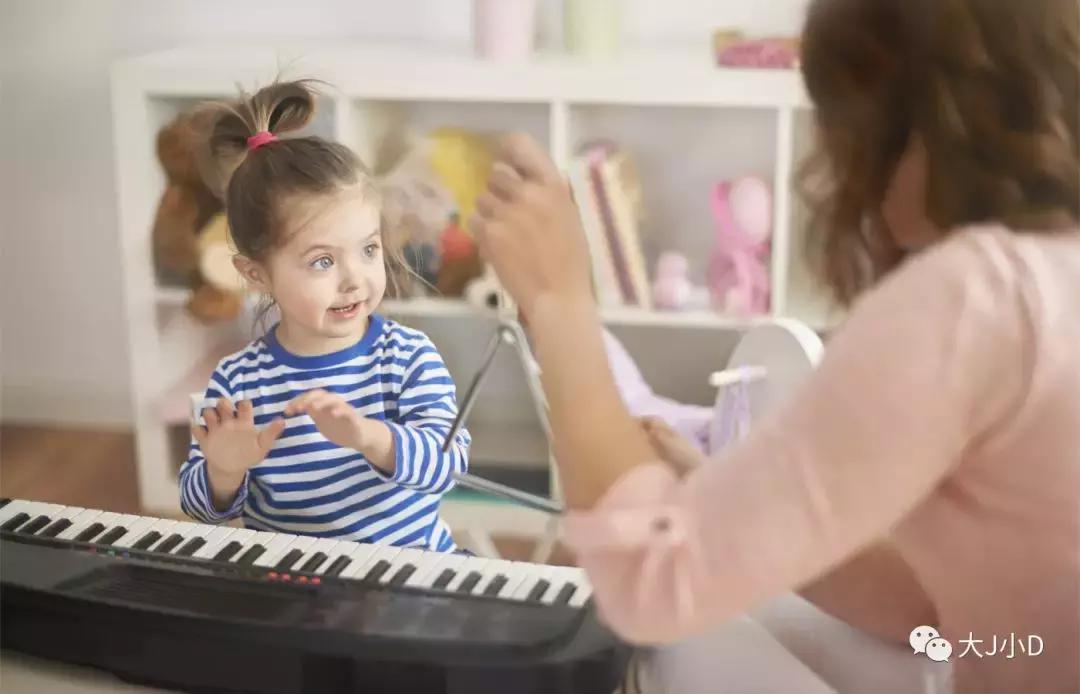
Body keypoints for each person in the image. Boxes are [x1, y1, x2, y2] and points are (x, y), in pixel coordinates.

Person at [470, 0, 1080, 691]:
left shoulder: (978, 295)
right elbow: (930, 606)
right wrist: (721, 501)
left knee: (672, 637)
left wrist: (557, 303)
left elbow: (649, 585)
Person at [180, 81, 471, 552]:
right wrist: (223, 471)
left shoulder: (408, 357)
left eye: (369, 249)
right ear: (256, 274)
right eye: (322, 261)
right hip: (289, 588)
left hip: (407, 578)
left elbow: (448, 467)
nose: (354, 279)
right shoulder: (237, 382)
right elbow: (199, 507)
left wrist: (370, 437)